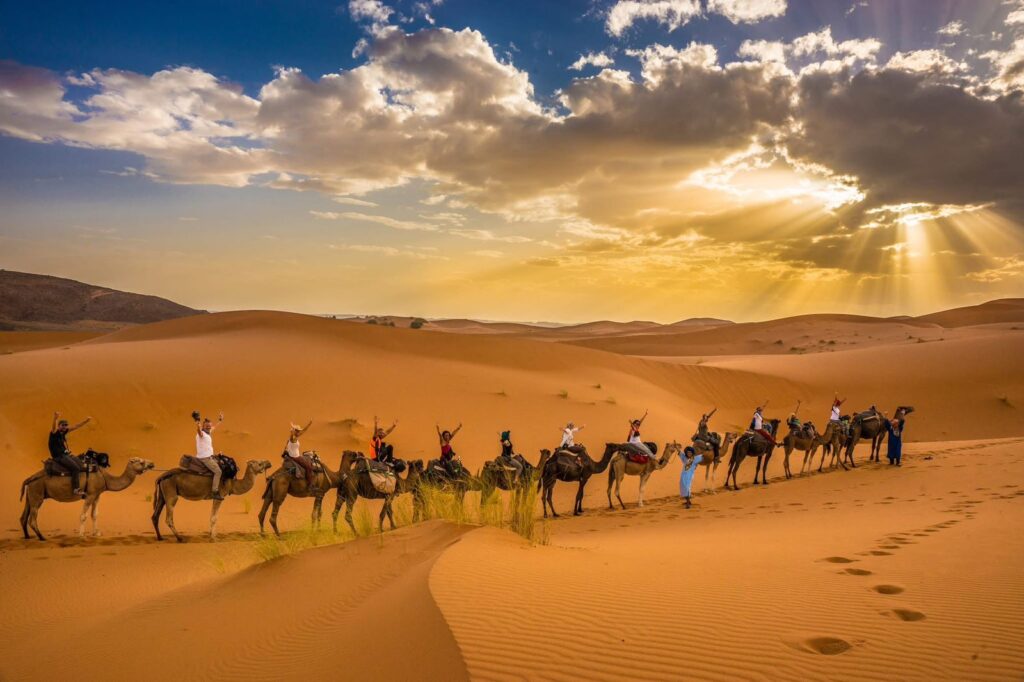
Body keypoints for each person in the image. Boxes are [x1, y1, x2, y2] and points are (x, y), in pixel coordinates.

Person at [48, 412, 91, 498]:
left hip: (65, 455)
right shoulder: (54, 433)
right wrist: (55, 418)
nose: (64, 427)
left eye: (66, 425)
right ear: (59, 426)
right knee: (76, 468)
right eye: (63, 425)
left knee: (81, 464)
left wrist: (86, 421)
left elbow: (76, 426)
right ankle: (76, 489)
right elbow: (53, 428)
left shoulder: (63, 433)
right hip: (59, 457)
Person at [194, 411, 225, 501]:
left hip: (210, 457)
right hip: (205, 458)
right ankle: (214, 492)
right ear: (203, 427)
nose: (208, 427)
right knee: (218, 471)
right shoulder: (202, 434)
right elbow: (199, 431)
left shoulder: (208, 432)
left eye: (209, 426)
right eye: (207, 426)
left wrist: (220, 420)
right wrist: (197, 423)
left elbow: (214, 427)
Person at [285, 420, 318, 491]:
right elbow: (292, 436)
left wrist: (308, 425)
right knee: (309, 467)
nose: (299, 432)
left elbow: (304, 431)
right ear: (295, 431)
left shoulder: (295, 437)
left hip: (294, 455)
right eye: (297, 431)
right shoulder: (293, 438)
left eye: (298, 431)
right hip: (296, 457)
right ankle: (310, 485)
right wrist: (292, 431)